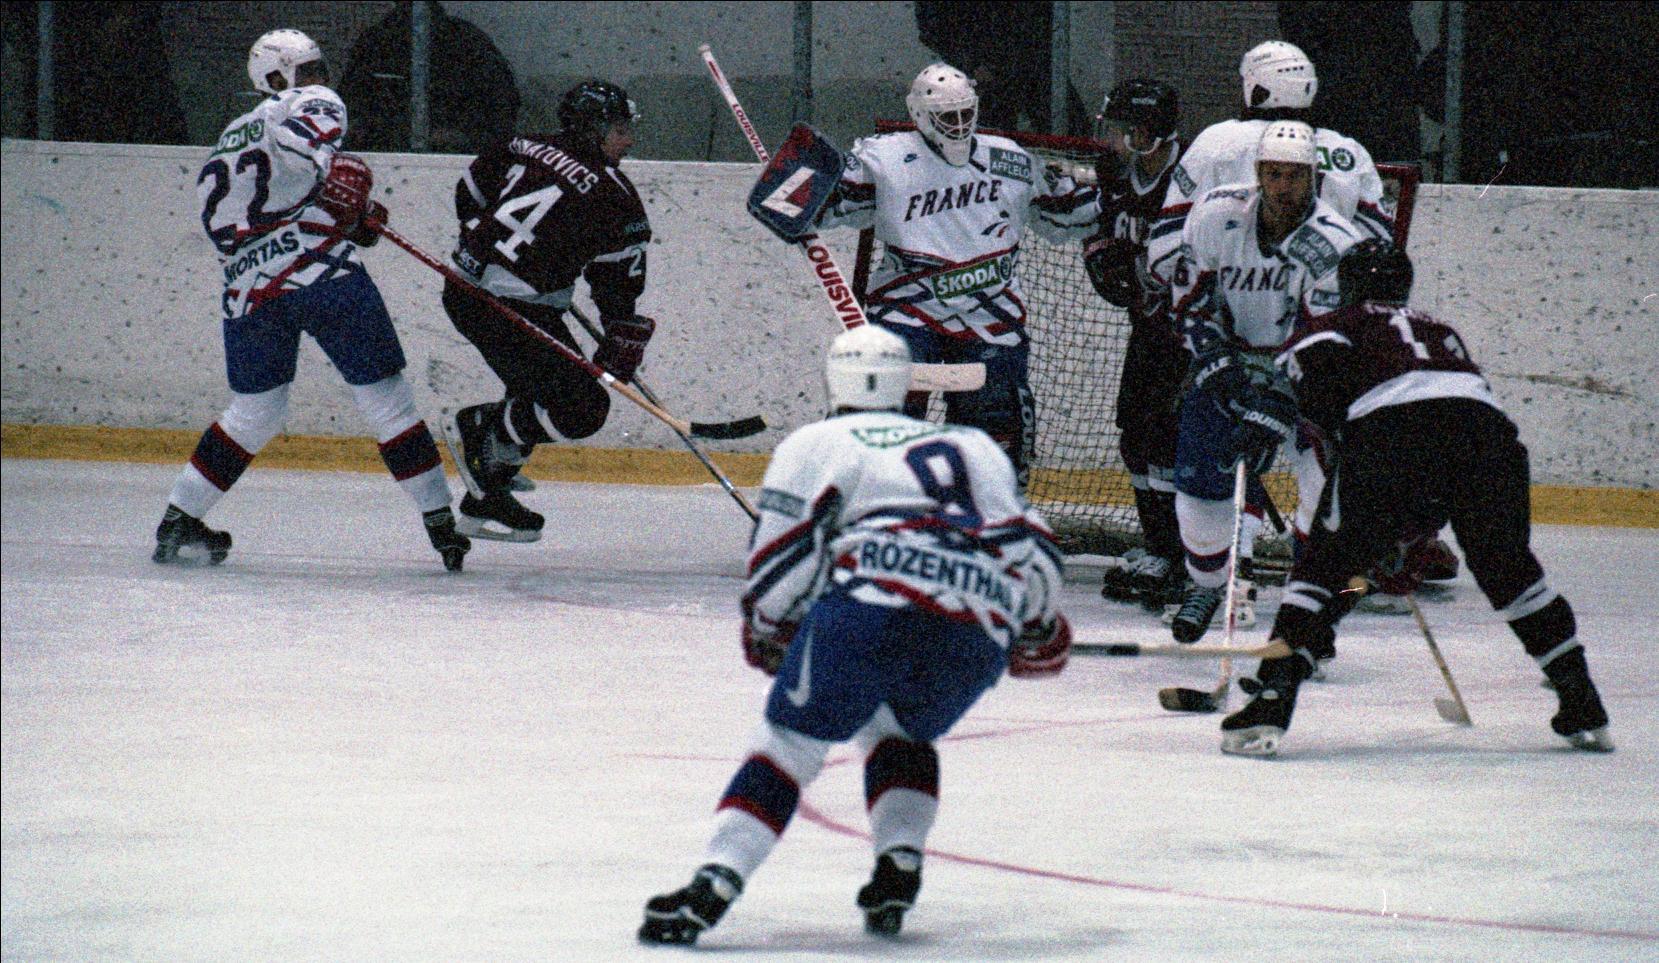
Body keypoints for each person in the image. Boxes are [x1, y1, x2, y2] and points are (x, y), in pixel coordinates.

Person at [638, 325, 1072, 946]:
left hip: (871, 607)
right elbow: (1031, 540)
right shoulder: (972, 443)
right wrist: (1037, 625)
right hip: (976, 619)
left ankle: (715, 882)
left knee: (787, 744)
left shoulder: (817, 441)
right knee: (901, 730)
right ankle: (900, 863)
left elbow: (784, 549)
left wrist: (768, 623)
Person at [1219, 241, 1614, 756]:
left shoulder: (1333, 326)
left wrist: (1265, 419)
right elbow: (1445, 422)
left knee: (1325, 569)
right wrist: (1409, 529)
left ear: (1346, 286)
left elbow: (1310, 403)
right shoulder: (1441, 330)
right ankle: (1581, 698)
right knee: (1510, 571)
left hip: (1394, 436)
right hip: (1491, 441)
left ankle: (1273, 698)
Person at [153, 29, 468, 572]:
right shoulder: (312, 101)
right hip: (324, 275)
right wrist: (339, 192)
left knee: (254, 411)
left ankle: (178, 520)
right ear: (278, 78)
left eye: (320, 69)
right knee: (386, 400)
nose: (321, 80)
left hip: (248, 288)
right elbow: (318, 157)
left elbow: (239, 219)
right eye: (309, 69)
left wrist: (345, 213)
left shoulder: (228, 138)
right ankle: (441, 523)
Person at [814, 63, 1101, 490]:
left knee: (995, 431)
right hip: (907, 310)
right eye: (948, 116)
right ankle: (871, 505)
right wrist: (800, 188)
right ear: (920, 114)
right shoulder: (885, 157)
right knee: (881, 415)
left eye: (966, 113)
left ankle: (991, 513)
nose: (960, 124)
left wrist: (1115, 198)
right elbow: (827, 202)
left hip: (991, 313)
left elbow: (1069, 211)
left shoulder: (1008, 157)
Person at [1164, 120, 1362, 643]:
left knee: (1326, 500)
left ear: (1313, 177)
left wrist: (1276, 402)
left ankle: (1310, 617)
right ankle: (1210, 584)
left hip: (1313, 382)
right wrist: (1218, 367)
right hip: (1232, 362)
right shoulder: (1216, 215)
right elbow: (1189, 304)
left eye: (1294, 176)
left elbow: (1323, 343)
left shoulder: (1335, 242)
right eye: (1272, 174)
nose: (1282, 187)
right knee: (1198, 495)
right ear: (1257, 173)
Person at [437, 80, 654, 542]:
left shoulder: (520, 144)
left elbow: (469, 192)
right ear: (592, 129)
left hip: (465, 291)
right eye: (620, 130)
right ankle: (481, 428)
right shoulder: (616, 197)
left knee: (535, 393)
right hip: (509, 308)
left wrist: (481, 242)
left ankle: (485, 495)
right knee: (582, 409)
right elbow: (615, 280)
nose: (629, 140)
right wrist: (619, 327)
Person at [1082, 78, 1190, 613]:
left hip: (1191, 338)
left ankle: (1179, 552)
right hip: (1147, 332)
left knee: (1169, 442)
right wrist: (1101, 256)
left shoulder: (1192, 178)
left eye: (1126, 128)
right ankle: (1159, 546)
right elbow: (1102, 233)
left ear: (1150, 132)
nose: (1116, 138)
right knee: (1136, 436)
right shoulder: (1118, 178)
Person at [337, 1, 520, 154]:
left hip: (457, 163)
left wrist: (461, 137)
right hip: (381, 162)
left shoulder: (469, 44)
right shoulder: (375, 44)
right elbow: (346, 114)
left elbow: (501, 116)